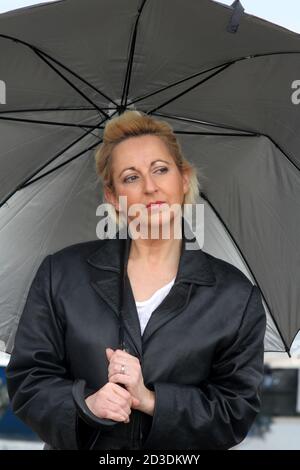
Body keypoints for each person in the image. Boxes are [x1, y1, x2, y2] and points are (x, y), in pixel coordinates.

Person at [5, 110, 266, 450]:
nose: (150, 187)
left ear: (184, 178)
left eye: (161, 169)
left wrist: (151, 400)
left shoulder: (235, 296)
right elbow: (28, 382)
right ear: (113, 197)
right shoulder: (61, 273)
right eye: (130, 177)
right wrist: (86, 404)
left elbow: (236, 411)